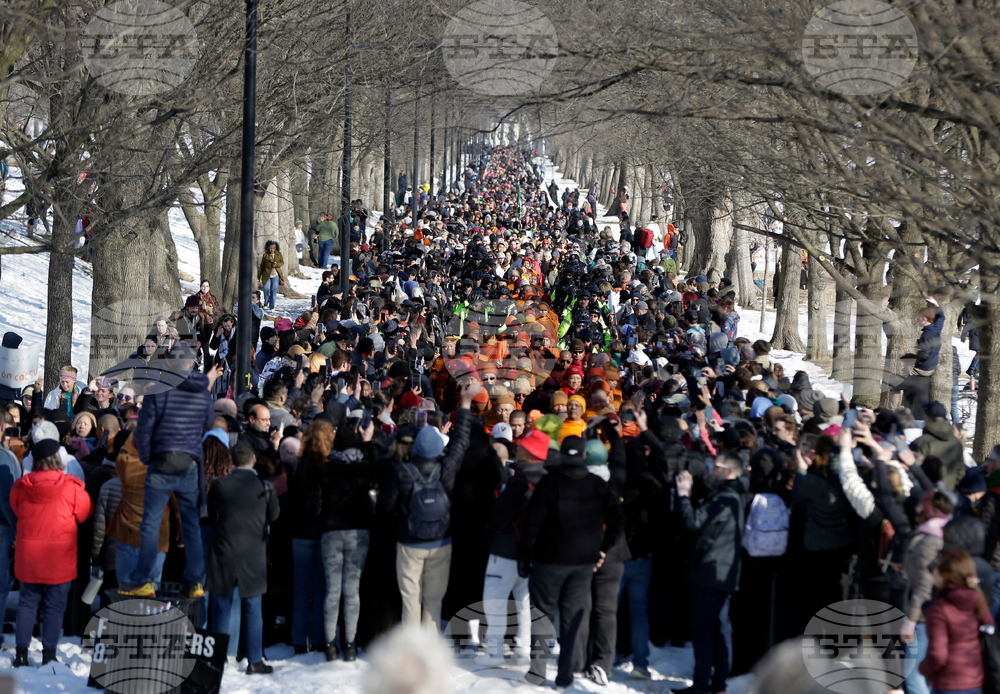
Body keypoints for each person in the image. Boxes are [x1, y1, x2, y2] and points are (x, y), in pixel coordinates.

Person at [519, 435, 624, 690]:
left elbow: (532, 522)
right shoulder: (597, 484)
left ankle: (538, 671)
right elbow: (618, 519)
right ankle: (565, 675)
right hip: (582, 563)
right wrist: (603, 548)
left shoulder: (549, 482)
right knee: (572, 619)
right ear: (584, 457)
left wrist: (525, 554)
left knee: (543, 616)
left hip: (548, 561)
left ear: (563, 455)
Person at [378, 380, 477, 630]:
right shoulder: (447, 469)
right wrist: (465, 404)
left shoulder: (403, 472)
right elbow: (461, 442)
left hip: (410, 541)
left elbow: (386, 507)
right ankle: (430, 652)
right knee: (433, 603)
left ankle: (412, 651)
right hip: (441, 542)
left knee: (411, 600)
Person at [121, 343, 216, 598]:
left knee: (151, 524)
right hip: (189, 462)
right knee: (191, 524)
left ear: (170, 363)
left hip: (161, 462)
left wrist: (147, 457)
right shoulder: (204, 393)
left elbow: (143, 430)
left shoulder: (158, 391)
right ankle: (195, 582)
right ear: (191, 364)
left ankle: (145, 581)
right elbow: (207, 424)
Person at [673, 451, 750, 694]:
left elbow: (694, 521)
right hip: (723, 570)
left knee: (705, 630)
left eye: (716, 466)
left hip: (710, 572)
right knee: (719, 628)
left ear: (728, 471)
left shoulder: (724, 497)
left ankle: (702, 685)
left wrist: (683, 495)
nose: (711, 470)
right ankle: (717, 685)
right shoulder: (734, 494)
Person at [11, 438, 92, 667]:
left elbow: (16, 509)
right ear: (58, 458)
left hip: (29, 556)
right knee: (55, 606)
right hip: (59, 556)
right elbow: (84, 513)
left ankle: (21, 653)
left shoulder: (22, 486)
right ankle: (48, 654)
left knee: (27, 603)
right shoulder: (71, 486)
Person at [206, 440, 280, 675]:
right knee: (253, 608)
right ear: (254, 460)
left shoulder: (219, 485)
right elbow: (274, 515)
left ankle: (217, 658)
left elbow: (212, 513)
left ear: (232, 461)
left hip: (224, 550)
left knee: (221, 605)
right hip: (254, 552)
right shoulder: (264, 487)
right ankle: (255, 659)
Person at [918, 548, 994, 694]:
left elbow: (938, 655)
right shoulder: (977, 600)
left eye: (936, 569)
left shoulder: (939, 609)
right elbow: (990, 628)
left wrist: (923, 668)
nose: (934, 572)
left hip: (949, 683)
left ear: (945, 575)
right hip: (975, 679)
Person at [258, 240, 285, 311]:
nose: (272, 250)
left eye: (273, 248)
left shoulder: (278, 254)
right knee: (266, 289)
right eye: (270, 248)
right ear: (268, 248)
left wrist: (276, 265)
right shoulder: (265, 255)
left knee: (274, 291)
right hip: (266, 275)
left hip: (275, 275)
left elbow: (282, 262)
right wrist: (259, 275)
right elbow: (262, 266)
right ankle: (266, 302)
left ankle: (272, 306)